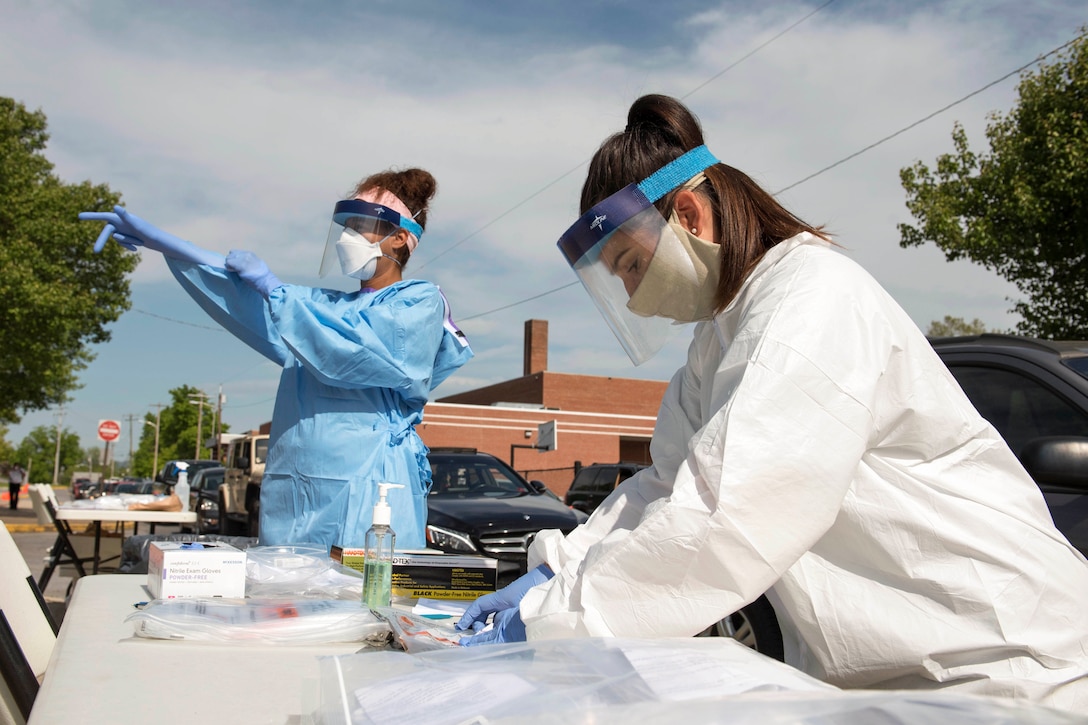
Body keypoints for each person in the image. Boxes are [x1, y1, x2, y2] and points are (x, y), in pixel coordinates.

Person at [456, 95, 1088, 712]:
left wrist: (551, 620)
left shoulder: (813, 299)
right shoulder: (717, 342)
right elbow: (664, 491)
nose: (629, 295)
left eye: (627, 264)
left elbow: (728, 512)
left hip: (1006, 667)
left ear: (687, 214)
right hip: (899, 682)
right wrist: (555, 570)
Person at [80, 168, 472, 549]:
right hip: (295, 491)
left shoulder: (417, 303)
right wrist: (168, 244)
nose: (348, 237)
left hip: (369, 492)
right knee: (286, 596)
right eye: (347, 226)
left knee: (359, 603)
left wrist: (274, 289)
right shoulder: (323, 308)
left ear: (400, 239)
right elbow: (252, 301)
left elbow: (349, 349)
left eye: (360, 226)